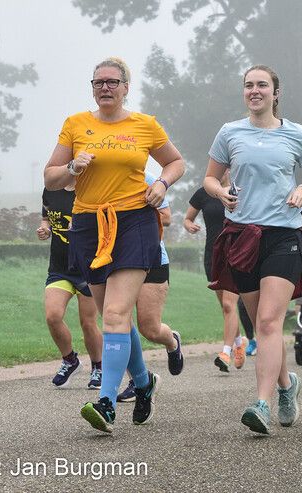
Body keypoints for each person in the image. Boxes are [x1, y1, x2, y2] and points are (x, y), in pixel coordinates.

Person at [44, 57, 186, 433]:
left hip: (135, 221)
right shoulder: (76, 125)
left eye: (112, 82)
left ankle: (106, 403)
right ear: (92, 87)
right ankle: (143, 383)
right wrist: (73, 167)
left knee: (116, 314)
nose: (105, 87)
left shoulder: (144, 125)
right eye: (98, 82)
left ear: (126, 87)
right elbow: (51, 178)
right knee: (114, 319)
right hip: (89, 225)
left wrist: (161, 185)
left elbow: (175, 162)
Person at [204, 64, 302, 435]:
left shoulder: (295, 133)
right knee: (263, 327)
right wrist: (220, 192)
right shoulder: (230, 133)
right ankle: (287, 385)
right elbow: (209, 177)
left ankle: (261, 403)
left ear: (276, 93)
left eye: (262, 85)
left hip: (284, 235)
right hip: (242, 236)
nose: (254, 91)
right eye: (248, 85)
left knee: (271, 321)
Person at [117, 171, 184, 402]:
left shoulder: (146, 179)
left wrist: (132, 212)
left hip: (151, 258)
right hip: (118, 259)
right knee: (119, 322)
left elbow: (166, 217)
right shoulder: (100, 182)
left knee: (149, 328)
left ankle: (171, 341)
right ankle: (137, 379)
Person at [184, 170, 255, 372]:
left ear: (231, 170)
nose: (221, 170)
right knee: (225, 307)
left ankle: (225, 353)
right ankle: (239, 342)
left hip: (236, 252)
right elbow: (187, 218)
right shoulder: (204, 193)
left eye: (225, 166)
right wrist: (190, 225)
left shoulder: (240, 191)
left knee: (228, 304)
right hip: (213, 255)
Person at [38, 185, 102, 388]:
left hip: (87, 268)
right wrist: (45, 228)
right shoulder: (51, 189)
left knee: (88, 323)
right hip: (59, 269)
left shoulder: (90, 188)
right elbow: (47, 217)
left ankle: (98, 367)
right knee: (53, 316)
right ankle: (70, 360)